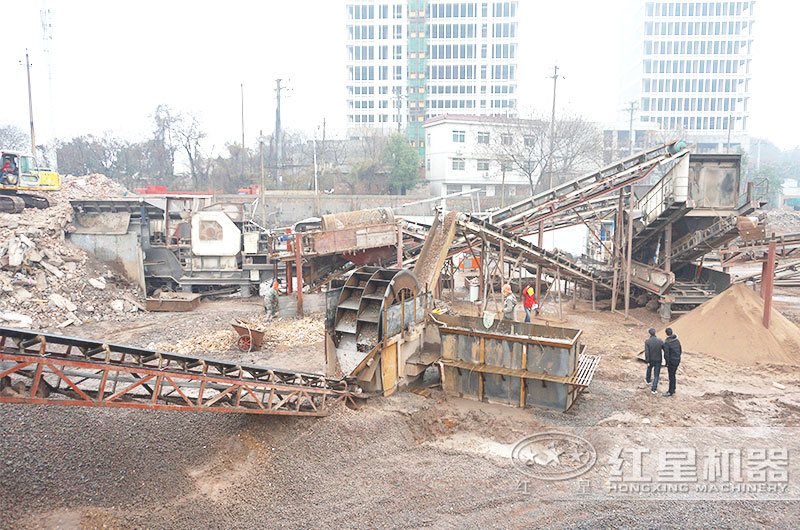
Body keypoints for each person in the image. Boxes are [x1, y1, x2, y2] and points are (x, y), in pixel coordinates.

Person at [662, 327, 682, 397]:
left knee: (671, 376)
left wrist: (667, 363)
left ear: (666, 334)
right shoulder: (677, 340)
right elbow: (680, 350)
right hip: (677, 360)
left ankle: (670, 391)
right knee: (673, 375)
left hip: (671, 362)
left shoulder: (667, 343)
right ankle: (673, 388)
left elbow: (666, 354)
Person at [644, 328, 664, 394]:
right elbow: (664, 349)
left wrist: (647, 361)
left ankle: (648, 380)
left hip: (651, 359)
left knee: (649, 369)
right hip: (658, 359)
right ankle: (654, 389)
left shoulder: (647, 341)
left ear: (649, 333)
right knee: (656, 375)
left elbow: (647, 352)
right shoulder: (660, 341)